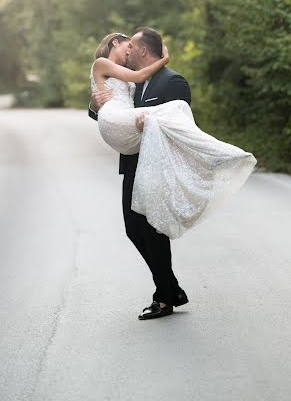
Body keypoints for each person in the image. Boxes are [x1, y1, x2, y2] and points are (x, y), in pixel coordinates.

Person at [89, 27, 256, 320]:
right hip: (133, 163)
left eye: (132, 48)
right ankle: (170, 288)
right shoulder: (125, 78)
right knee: (133, 229)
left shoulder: (172, 82)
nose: (127, 52)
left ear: (142, 51)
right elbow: (107, 110)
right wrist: (94, 104)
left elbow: (181, 124)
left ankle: (164, 297)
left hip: (158, 164)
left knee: (153, 230)